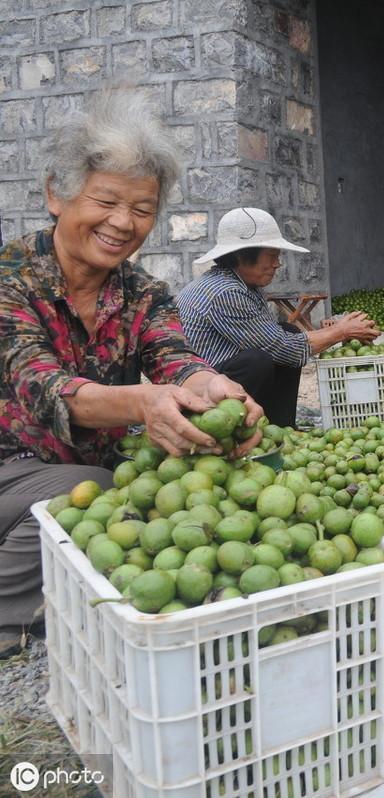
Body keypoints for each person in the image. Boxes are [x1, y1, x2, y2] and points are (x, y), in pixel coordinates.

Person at [0, 90, 263, 657]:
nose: (123, 223)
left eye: (143, 209)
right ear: (56, 194)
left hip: (93, 475)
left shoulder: (143, 292)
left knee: (175, 482)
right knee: (83, 492)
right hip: (14, 472)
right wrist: (145, 404)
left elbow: (174, 358)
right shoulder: (9, 281)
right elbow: (47, 388)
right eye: (106, 201)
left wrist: (211, 387)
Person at [178, 208, 381, 427]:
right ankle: (228, 428)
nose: (277, 264)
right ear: (242, 256)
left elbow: (277, 340)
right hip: (201, 391)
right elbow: (283, 348)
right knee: (258, 360)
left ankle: (281, 427)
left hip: (221, 372)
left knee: (288, 331)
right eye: (272, 256)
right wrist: (340, 331)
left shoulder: (244, 285)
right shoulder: (226, 292)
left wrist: (338, 329)